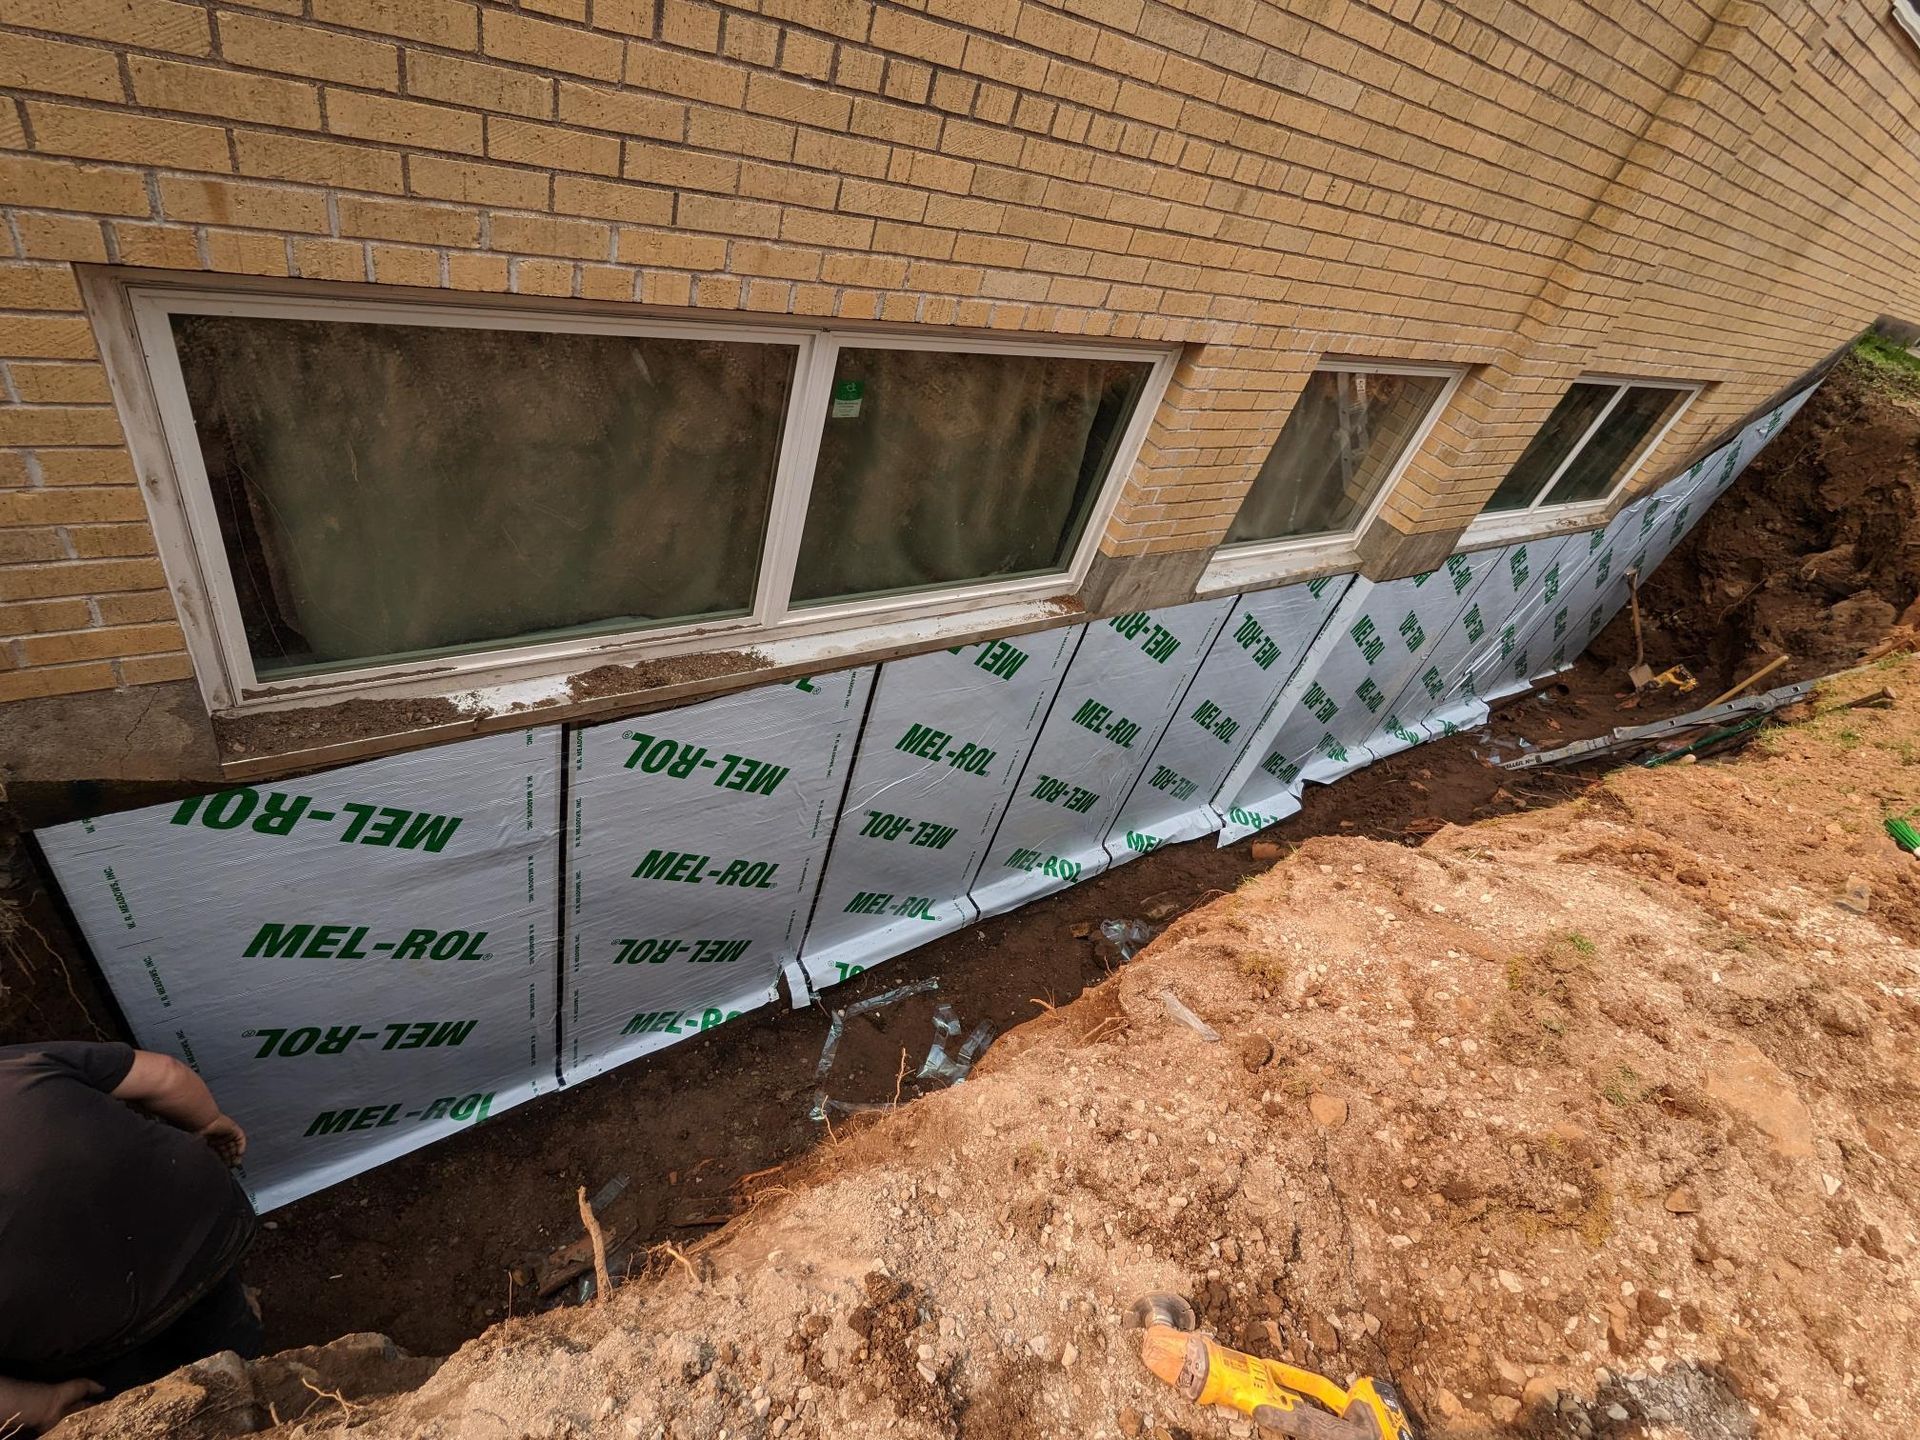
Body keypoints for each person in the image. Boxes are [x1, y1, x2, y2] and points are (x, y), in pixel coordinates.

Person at [0, 1041, 262, 1433]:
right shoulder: (13, 1063)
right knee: (211, 1304)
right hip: (203, 1222)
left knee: (128, 1379)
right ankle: (243, 1352)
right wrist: (210, 1122)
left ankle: (160, 1402)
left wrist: (46, 1405)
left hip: (85, 1326)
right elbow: (167, 1076)